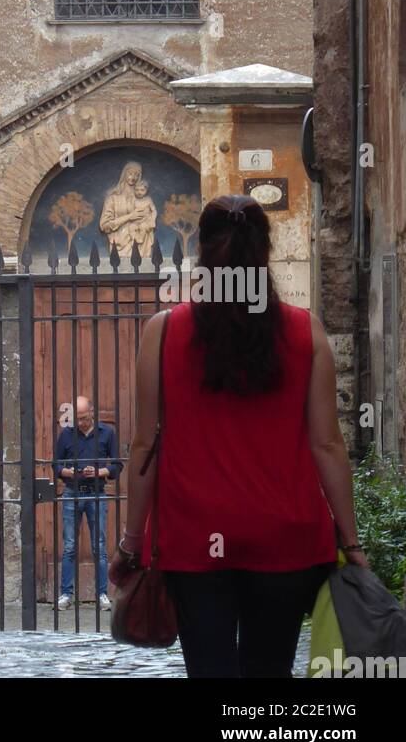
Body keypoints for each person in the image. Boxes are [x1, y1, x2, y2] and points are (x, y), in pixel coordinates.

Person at [108, 194, 367, 678]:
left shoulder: (162, 333)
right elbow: (327, 445)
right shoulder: (306, 333)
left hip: (194, 538)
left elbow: (145, 446)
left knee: (210, 671)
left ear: (202, 253)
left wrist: (131, 541)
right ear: (264, 254)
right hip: (284, 538)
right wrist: (351, 543)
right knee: (268, 673)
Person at [53, 394, 122, 610]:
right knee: (70, 546)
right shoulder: (66, 434)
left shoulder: (107, 433)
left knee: (99, 547)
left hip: (97, 493)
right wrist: (67, 471)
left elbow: (118, 465)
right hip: (72, 492)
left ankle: (102, 594)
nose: (81, 422)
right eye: (77, 418)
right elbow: (55, 465)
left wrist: (100, 471)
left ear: (92, 412)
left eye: (84, 417)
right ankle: (66, 594)